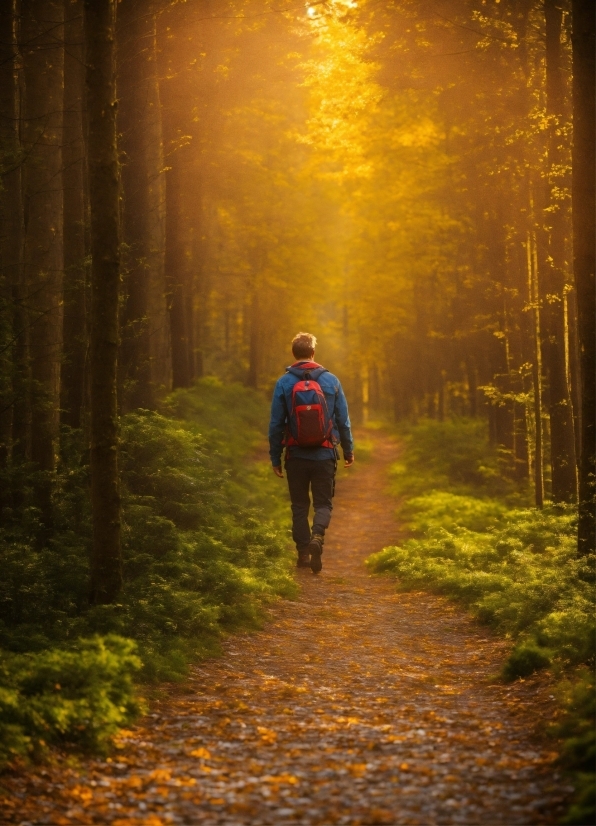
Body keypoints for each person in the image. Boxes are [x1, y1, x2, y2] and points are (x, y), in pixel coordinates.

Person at [269, 332, 354, 573]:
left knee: (299, 506)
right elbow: (343, 420)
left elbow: (276, 424)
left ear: (294, 354)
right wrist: (348, 450)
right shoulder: (331, 381)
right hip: (324, 454)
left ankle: (303, 554)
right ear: (313, 353)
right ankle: (317, 536)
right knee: (323, 504)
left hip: (295, 455)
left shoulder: (284, 383)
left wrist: (275, 457)